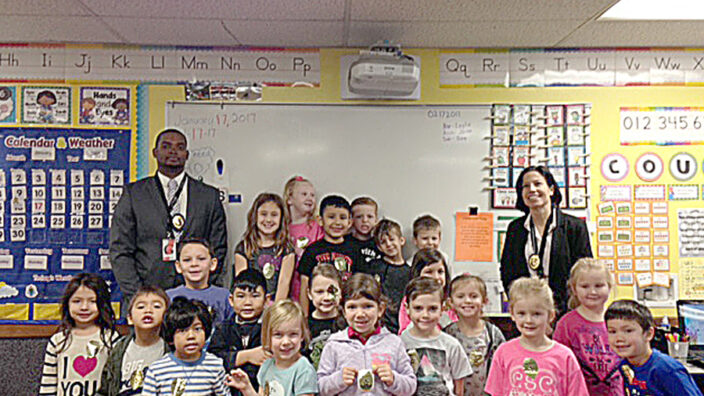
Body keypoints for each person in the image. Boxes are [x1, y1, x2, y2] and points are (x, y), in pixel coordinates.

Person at [110, 128, 227, 318]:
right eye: (166, 146)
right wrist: (140, 296)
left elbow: (218, 248)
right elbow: (120, 250)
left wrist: (200, 289)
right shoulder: (134, 194)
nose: (173, 151)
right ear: (155, 152)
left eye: (180, 147)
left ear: (187, 155)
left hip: (197, 301)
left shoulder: (209, 196)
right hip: (146, 297)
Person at [499, 165, 592, 315]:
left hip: (566, 311)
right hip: (528, 312)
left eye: (537, 184)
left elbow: (585, 272)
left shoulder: (574, 227)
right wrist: (518, 302)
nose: (532, 189)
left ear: (551, 189)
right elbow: (507, 272)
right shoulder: (515, 229)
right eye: (526, 186)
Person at [485, 277, 588, 396]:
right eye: (522, 314)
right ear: (512, 314)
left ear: (550, 315)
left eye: (536, 314)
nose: (529, 320)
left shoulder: (565, 357)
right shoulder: (503, 352)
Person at [317, 273, 417, 396]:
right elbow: (320, 387)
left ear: (380, 309)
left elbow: (411, 386)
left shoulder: (394, 343)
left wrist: (393, 379)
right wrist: (338, 380)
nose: (360, 314)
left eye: (368, 306)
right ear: (344, 311)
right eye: (352, 307)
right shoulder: (334, 345)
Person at [39, 273, 120, 396]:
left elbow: (116, 384)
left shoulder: (111, 339)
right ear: (68, 304)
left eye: (92, 301)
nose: (84, 307)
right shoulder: (58, 341)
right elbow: (48, 386)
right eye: (77, 301)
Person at [553, 258, 623, 395]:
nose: (592, 292)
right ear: (574, 289)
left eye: (599, 286)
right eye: (585, 286)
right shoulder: (566, 324)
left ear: (609, 287)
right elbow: (558, 363)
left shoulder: (619, 320)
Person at [605, 299, 703, 396]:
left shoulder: (666, 369)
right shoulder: (623, 366)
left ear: (648, 334)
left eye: (628, 331)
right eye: (612, 332)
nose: (619, 338)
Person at [226, 300, 318, 396]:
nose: (286, 342)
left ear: (302, 336)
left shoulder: (303, 370)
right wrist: (246, 388)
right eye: (278, 335)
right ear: (268, 336)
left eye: (293, 334)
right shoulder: (266, 365)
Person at [141, 297, 230, 395]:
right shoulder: (157, 371)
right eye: (182, 331)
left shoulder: (215, 365)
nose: (191, 336)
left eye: (197, 329)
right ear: (171, 337)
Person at [401, 277, 472, 396]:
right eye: (418, 308)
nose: (425, 315)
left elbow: (459, 388)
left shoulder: (451, 344)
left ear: (442, 309)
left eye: (432, 309)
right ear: (407, 308)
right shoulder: (400, 343)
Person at [97, 285, 170, 396]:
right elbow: (105, 389)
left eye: (156, 306)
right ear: (130, 318)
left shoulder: (171, 350)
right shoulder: (119, 348)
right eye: (141, 307)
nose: (148, 310)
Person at [297, 195, 363, 315]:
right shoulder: (312, 251)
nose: (337, 222)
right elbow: (304, 286)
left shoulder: (355, 250)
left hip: (346, 315)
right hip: (317, 315)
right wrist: (304, 317)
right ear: (320, 220)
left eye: (342, 218)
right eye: (331, 217)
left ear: (349, 222)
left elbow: (359, 284)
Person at [209, 269, 269, 396]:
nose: (247, 302)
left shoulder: (272, 328)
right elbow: (212, 360)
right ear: (231, 300)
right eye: (241, 296)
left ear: (266, 300)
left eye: (255, 296)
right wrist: (246, 356)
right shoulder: (223, 329)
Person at [444, 274, 506, 396]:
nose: (467, 301)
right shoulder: (447, 334)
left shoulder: (492, 334)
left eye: (474, 296)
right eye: (460, 296)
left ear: (484, 301)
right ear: (450, 302)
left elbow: (503, 366)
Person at [234, 193, 295, 301]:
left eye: (274, 215)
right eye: (263, 214)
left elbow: (284, 283)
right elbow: (242, 285)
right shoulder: (244, 247)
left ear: (281, 218)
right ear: (255, 216)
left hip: (276, 307)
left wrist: (275, 311)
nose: (268, 220)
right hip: (251, 305)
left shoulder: (286, 249)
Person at [166, 238, 233, 326]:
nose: (194, 264)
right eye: (187, 260)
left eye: (201, 259)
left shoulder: (225, 296)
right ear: (178, 266)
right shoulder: (168, 297)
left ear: (213, 264)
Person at [362, 219, 411, 334]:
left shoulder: (410, 272)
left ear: (401, 240)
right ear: (379, 247)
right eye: (383, 242)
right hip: (378, 326)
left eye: (392, 239)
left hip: (402, 326)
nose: (389, 244)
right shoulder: (373, 267)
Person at [398, 248, 457, 334]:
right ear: (417, 274)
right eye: (429, 272)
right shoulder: (410, 299)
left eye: (440, 272)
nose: (436, 277)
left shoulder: (451, 300)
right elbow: (404, 330)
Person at [284, 175, 324, 302]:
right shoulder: (282, 228)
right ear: (290, 199)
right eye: (304, 194)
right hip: (288, 290)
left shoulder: (317, 227)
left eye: (312, 195)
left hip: (311, 289)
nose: (309, 198)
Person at [305, 264, 342, 369]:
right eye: (320, 292)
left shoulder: (348, 323)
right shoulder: (302, 325)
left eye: (332, 291)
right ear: (309, 294)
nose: (327, 297)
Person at [348, 196, 381, 266]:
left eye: (369, 216)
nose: (365, 220)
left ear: (376, 220)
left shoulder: (380, 244)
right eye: (359, 217)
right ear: (351, 219)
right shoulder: (344, 243)